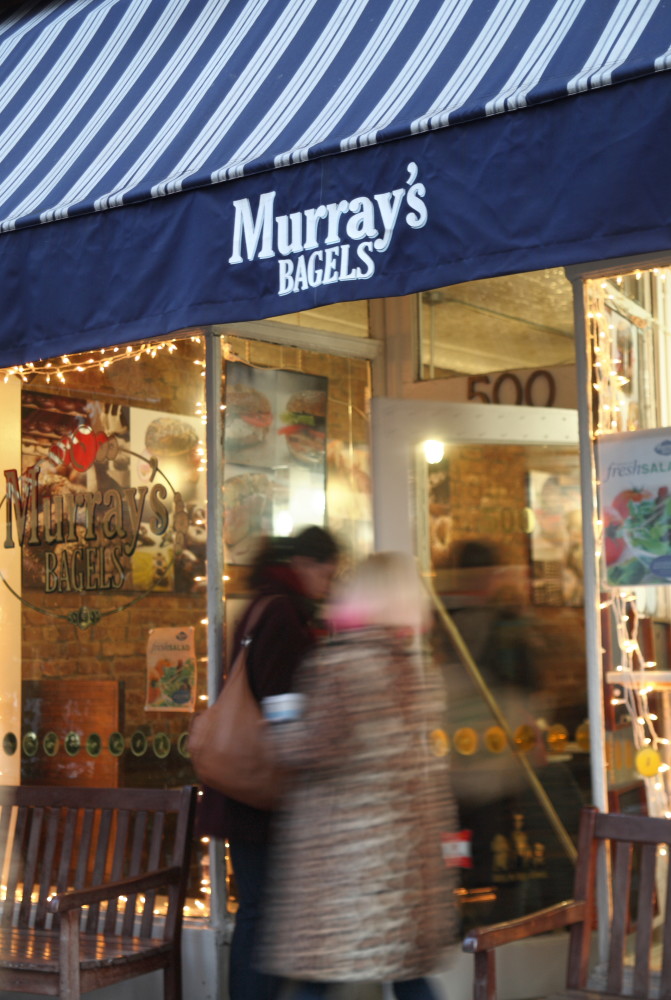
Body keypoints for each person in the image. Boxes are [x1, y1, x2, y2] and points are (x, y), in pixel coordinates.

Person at [259, 552, 456, 1000]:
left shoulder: (341, 665)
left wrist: (280, 726)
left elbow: (315, 747)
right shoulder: (416, 669)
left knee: (319, 973)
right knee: (405, 972)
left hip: (346, 857)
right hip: (404, 855)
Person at [196, 525, 340, 1000]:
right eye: (327, 572)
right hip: (264, 791)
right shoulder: (282, 612)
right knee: (265, 914)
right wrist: (302, 747)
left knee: (260, 912)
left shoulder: (263, 603)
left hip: (248, 790)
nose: (328, 584)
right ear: (304, 563)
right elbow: (280, 697)